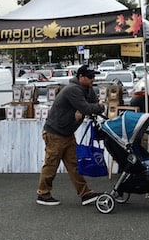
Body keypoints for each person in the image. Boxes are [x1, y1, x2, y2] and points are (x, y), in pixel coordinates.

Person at [36, 65, 104, 206]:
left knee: (74, 164)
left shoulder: (87, 89)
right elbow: (87, 107)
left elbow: (91, 105)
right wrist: (100, 106)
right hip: (55, 132)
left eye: (94, 76)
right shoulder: (72, 90)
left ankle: (85, 193)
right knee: (51, 164)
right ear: (81, 77)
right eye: (90, 77)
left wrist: (95, 107)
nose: (93, 79)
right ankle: (43, 193)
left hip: (67, 132)